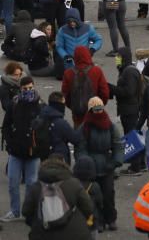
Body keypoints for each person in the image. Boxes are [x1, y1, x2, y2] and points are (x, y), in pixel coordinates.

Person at [76, 96, 124, 230]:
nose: (98, 112)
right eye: (95, 110)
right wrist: (86, 163)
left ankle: (111, 219)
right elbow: (80, 148)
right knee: (94, 197)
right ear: (90, 111)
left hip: (106, 164)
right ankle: (99, 221)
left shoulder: (110, 126)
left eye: (100, 109)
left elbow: (118, 145)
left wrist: (115, 162)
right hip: (90, 166)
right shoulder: (84, 127)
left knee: (108, 194)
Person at [22, 155, 94, 238]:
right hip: (75, 234)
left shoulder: (36, 187)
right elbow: (89, 208)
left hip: (43, 234)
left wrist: (37, 223)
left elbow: (26, 211)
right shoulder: (74, 184)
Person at [1, 75, 42, 222]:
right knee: (13, 182)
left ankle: (29, 212)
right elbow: (6, 125)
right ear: (20, 89)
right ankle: (15, 211)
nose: (28, 91)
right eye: (25, 89)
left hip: (33, 152)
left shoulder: (40, 105)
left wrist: (39, 146)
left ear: (34, 86)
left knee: (31, 184)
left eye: (30, 88)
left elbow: (44, 130)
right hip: (16, 151)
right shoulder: (14, 104)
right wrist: (10, 142)